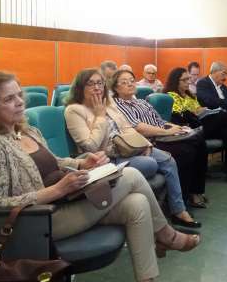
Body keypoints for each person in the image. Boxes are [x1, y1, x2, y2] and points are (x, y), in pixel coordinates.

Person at [0, 71, 199, 282]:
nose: (20, 102)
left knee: (137, 203)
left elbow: (56, 162)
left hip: (66, 201)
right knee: (131, 176)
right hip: (38, 218)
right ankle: (167, 236)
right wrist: (57, 190)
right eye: (9, 99)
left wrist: (82, 164)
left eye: (19, 95)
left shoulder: (26, 130)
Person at [64, 68, 200, 228]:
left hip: (128, 147)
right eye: (91, 84)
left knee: (168, 160)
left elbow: (127, 127)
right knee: (151, 164)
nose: (97, 88)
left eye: (100, 83)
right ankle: (150, 214)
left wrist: (145, 144)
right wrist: (100, 117)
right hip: (107, 158)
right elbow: (90, 145)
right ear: (80, 87)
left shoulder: (108, 103)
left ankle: (178, 211)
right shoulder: (74, 110)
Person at [111, 69, 208, 209]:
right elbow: (138, 128)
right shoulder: (118, 105)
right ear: (115, 87)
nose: (130, 84)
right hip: (151, 142)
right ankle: (182, 200)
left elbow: (160, 120)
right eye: (124, 82)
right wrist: (165, 132)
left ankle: (195, 191)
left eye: (132, 81)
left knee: (199, 143)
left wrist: (176, 128)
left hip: (163, 134)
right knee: (186, 151)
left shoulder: (142, 102)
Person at [165, 67, 227, 185]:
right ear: (175, 81)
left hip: (202, 124)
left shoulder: (190, 95)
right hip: (190, 128)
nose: (189, 81)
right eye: (184, 80)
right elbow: (180, 116)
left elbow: (198, 109)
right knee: (224, 116)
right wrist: (195, 112)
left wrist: (201, 110)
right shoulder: (171, 96)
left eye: (189, 79)